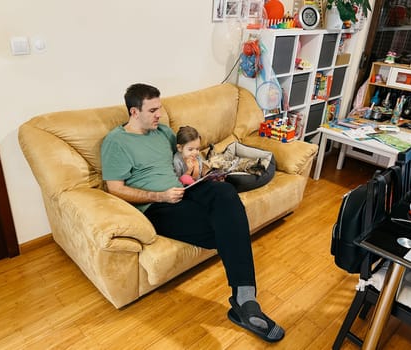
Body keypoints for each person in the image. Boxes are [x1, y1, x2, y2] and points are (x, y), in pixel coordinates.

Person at [101, 83, 284, 342]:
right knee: (226, 228)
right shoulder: (116, 142)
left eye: (160, 107)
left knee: (226, 193)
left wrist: (200, 172)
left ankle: (245, 299)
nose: (159, 114)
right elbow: (114, 188)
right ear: (134, 112)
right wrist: (158, 195)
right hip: (158, 205)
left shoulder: (163, 132)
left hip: (186, 190)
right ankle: (244, 305)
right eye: (153, 110)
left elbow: (184, 161)